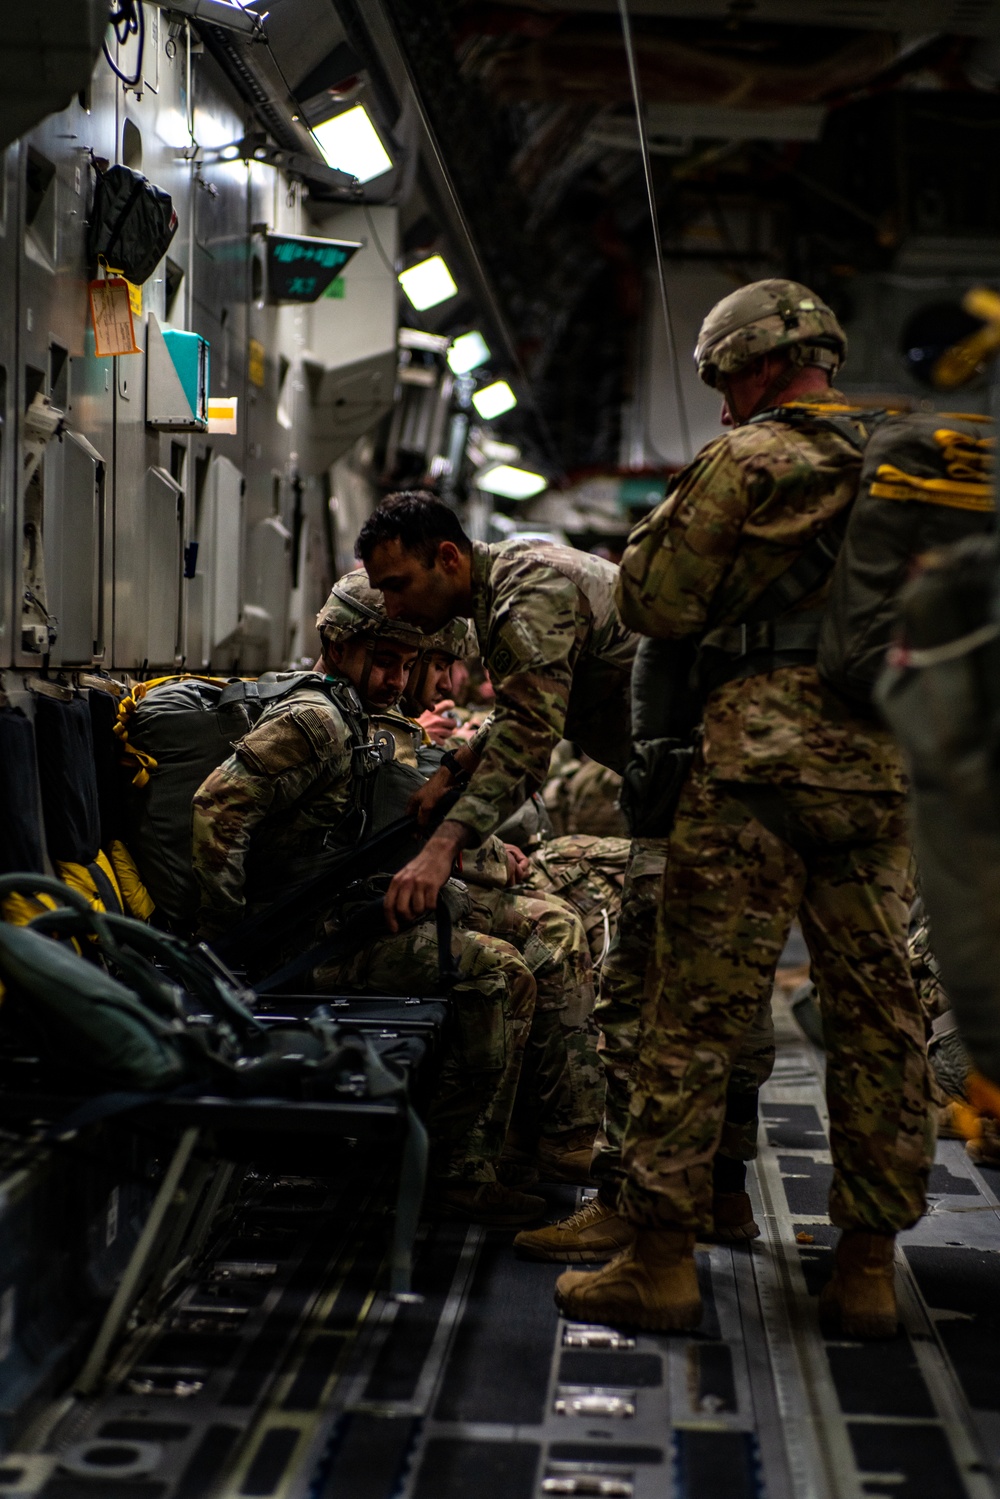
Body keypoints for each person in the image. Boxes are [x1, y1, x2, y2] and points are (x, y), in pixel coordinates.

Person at [553, 279, 934, 1340]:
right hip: (882, 766)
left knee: (698, 1010)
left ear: (764, 362)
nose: (723, 406)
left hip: (756, 765)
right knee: (876, 1016)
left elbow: (654, 601)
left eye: (726, 379)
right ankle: (864, 1266)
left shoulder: (751, 459)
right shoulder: (910, 460)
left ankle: (662, 1258)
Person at [357, 493, 774, 1255]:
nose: (394, 604)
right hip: (721, 788)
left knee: (636, 994)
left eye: (399, 583)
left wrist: (441, 846)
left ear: (448, 558)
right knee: (729, 987)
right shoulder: (516, 582)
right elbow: (527, 706)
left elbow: (531, 734)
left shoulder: (526, 591)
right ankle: (723, 1195)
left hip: (701, 795)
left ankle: (622, 1200)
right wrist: (455, 761)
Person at [191, 575, 547, 1228]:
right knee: (500, 973)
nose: (397, 678)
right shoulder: (316, 719)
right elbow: (218, 806)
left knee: (487, 935)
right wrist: (230, 943)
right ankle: (456, 1175)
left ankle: (461, 1157)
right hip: (302, 947)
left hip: (336, 923)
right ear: (337, 642)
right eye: (386, 659)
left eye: (408, 664)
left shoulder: (353, 715)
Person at [315, 579, 605, 1186]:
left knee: (556, 923)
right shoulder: (330, 723)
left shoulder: (382, 725)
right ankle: (466, 1166)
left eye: (417, 665)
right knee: (510, 961)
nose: (431, 682)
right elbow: (396, 836)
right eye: (428, 665)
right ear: (342, 649)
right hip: (345, 927)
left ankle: (549, 1134)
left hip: (399, 899)